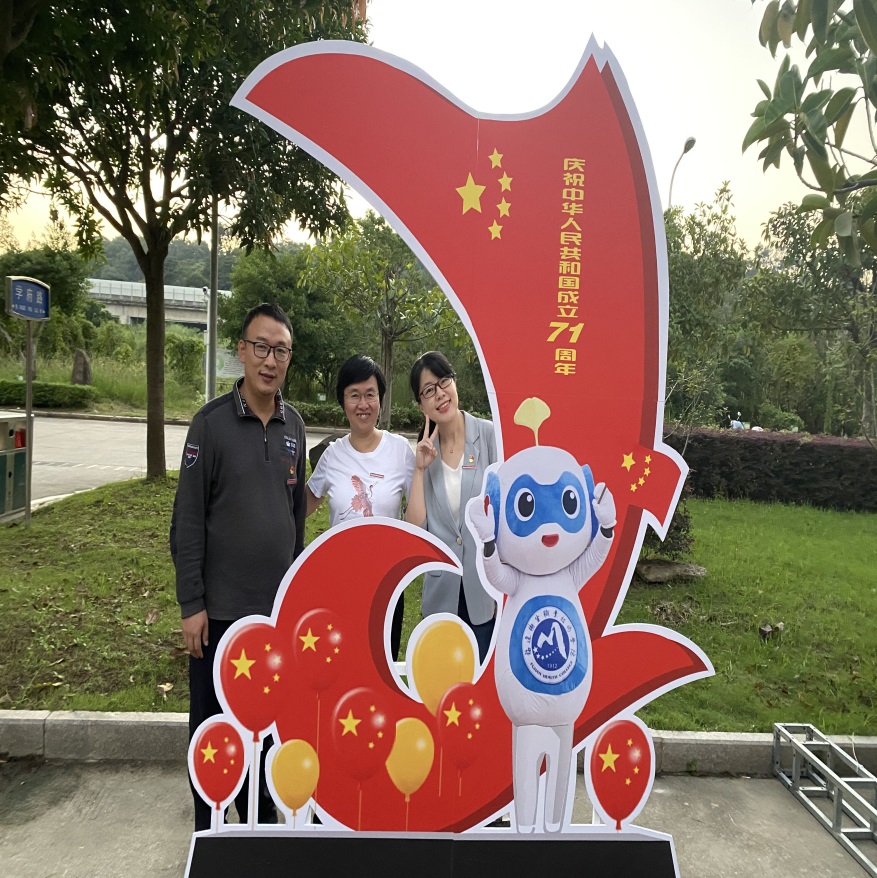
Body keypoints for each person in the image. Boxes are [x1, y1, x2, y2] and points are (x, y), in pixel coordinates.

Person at [170, 302, 306, 831]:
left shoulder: (295, 426)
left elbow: (295, 519)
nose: (270, 361)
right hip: (219, 614)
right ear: (242, 351)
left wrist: (293, 600)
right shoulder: (210, 425)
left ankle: (260, 818)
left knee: (267, 727)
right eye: (262, 347)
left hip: (271, 618)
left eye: (281, 351)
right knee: (211, 725)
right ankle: (209, 824)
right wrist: (192, 604)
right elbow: (188, 520)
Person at [307, 354, 414, 660]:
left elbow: (419, 514)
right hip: (339, 585)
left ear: (380, 398)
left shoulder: (400, 451)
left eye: (370, 394)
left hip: (387, 586)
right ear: (343, 401)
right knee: (340, 666)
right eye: (354, 395)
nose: (363, 404)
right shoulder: (332, 456)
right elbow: (300, 506)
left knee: (381, 666)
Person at [405, 351, 497, 662]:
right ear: (421, 406)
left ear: (454, 383)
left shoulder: (489, 436)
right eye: (428, 390)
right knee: (440, 685)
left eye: (444, 381)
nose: (440, 394)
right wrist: (419, 470)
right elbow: (415, 530)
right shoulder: (424, 453)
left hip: (484, 592)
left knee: (480, 684)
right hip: (441, 594)